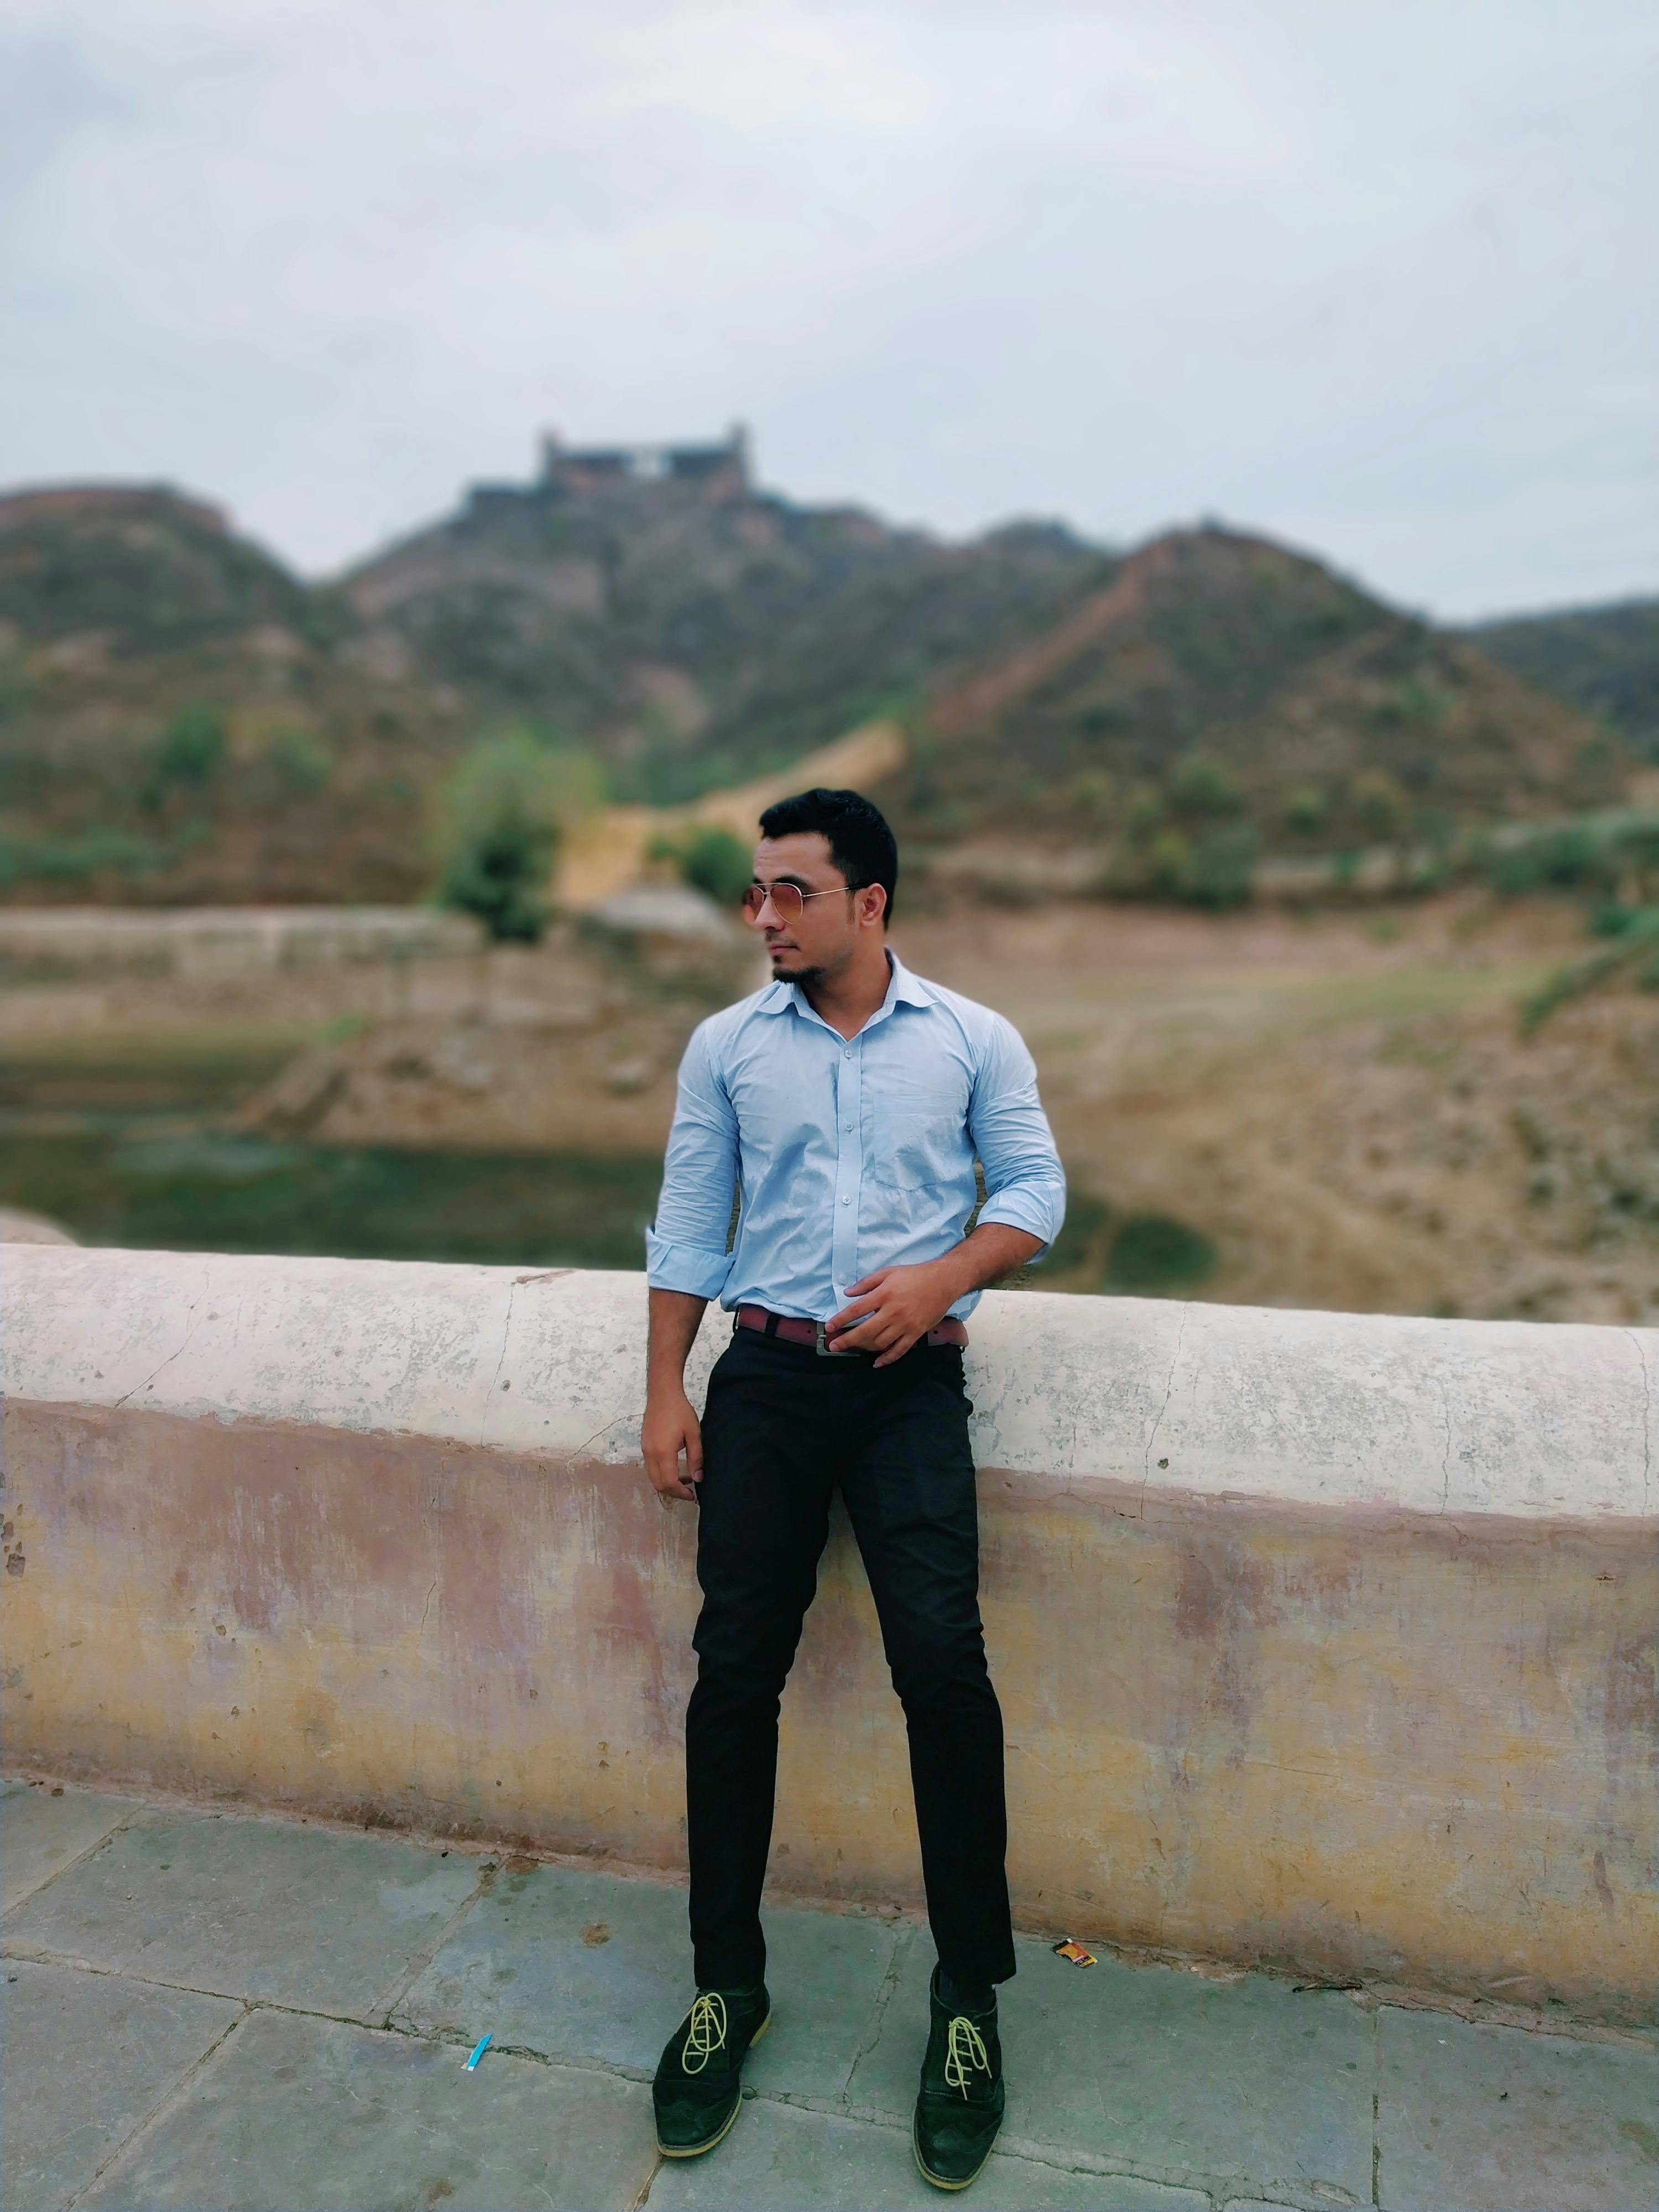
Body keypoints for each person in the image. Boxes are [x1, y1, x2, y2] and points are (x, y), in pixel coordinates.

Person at [640, 786, 1066, 2192]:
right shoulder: (727, 1046)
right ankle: (727, 1983)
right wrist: (667, 1388)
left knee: (944, 1667)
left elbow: (1035, 1190)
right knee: (733, 1673)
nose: (762, 915)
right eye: (755, 890)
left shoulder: (971, 1038)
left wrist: (945, 1278)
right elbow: (689, 1221)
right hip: (763, 1382)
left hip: (907, 1389)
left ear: (868, 902)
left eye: (791, 891)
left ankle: (968, 1997)